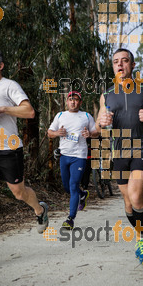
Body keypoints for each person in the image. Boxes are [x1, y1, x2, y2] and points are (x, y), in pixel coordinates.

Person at [96, 48, 143, 264]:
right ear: (113, 67)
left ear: (133, 65)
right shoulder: (106, 94)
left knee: (136, 195)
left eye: (125, 61)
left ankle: (141, 239)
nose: (120, 65)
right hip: (119, 151)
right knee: (129, 202)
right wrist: (101, 123)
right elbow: (98, 124)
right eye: (116, 62)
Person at [0, 48, 49, 265]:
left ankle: (39, 209)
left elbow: (29, 111)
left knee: (18, 193)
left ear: (1, 66)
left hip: (8, 151)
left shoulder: (10, 86)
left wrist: (3, 109)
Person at [48, 91, 98, 229]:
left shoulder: (86, 116)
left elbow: (96, 132)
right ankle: (83, 194)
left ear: (80, 102)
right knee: (67, 186)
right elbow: (50, 132)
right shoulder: (60, 115)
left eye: (76, 99)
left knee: (73, 184)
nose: (73, 102)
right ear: (67, 101)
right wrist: (58, 133)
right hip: (64, 155)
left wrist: (90, 134)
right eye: (70, 99)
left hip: (79, 156)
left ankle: (70, 218)